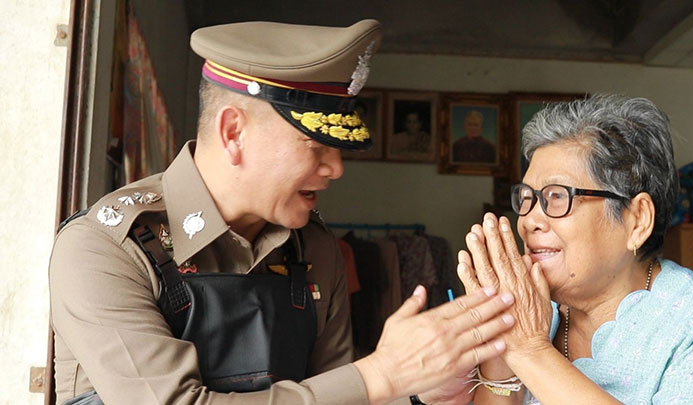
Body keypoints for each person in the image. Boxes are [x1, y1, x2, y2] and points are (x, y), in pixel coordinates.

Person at [49, 19, 517, 405]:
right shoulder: (107, 249)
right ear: (234, 133)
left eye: (337, 148)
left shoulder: (315, 249)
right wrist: (381, 375)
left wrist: (416, 393)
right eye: (315, 145)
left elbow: (339, 396)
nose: (335, 168)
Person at [456, 94, 693, 403]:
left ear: (637, 220)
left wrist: (529, 349)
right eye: (526, 197)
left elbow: (527, 347)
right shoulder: (525, 308)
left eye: (557, 196)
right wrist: (501, 348)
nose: (528, 221)